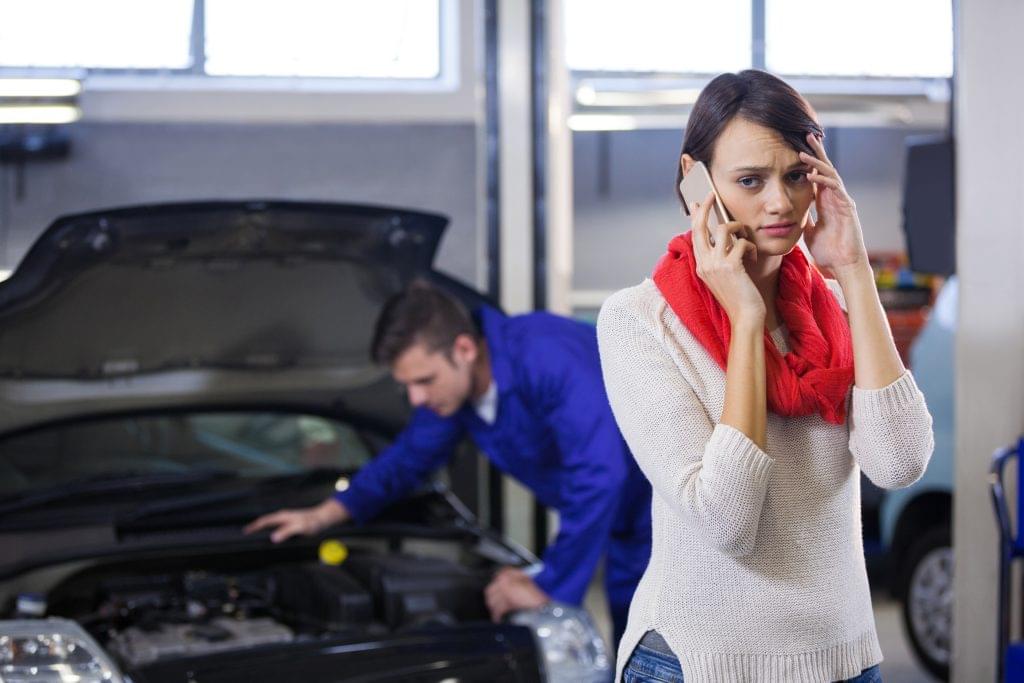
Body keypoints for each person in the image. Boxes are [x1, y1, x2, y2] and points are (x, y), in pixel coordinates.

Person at [596, 70, 934, 682]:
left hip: (847, 657)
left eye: (796, 175)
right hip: (701, 663)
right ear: (696, 183)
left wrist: (853, 269)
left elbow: (899, 461)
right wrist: (746, 320)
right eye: (749, 180)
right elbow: (727, 519)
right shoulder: (639, 321)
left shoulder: (834, 305)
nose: (779, 202)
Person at [246, 281, 652, 643]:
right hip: (623, 524)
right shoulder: (455, 396)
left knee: (660, 643)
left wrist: (549, 585)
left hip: (669, 516)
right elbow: (406, 460)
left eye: (423, 381)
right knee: (632, 643)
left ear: (464, 349)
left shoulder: (546, 356)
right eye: (406, 386)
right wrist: (323, 516)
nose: (416, 399)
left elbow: (599, 476)